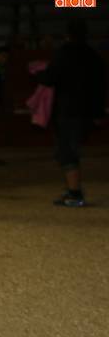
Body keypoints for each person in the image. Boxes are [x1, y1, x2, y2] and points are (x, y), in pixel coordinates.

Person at [35, 19, 106, 207]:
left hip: (67, 110)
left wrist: (38, 74)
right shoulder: (93, 56)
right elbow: (100, 87)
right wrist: (98, 113)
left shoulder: (64, 53)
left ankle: (74, 193)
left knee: (66, 151)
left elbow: (50, 78)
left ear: (67, 35)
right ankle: (73, 190)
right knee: (72, 149)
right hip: (87, 111)